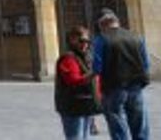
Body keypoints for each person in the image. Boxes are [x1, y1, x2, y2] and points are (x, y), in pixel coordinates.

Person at [92, 9, 150, 140]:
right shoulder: (137, 37)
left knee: (118, 126)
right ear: (117, 22)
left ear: (101, 25)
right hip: (136, 86)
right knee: (140, 125)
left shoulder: (101, 39)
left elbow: (97, 68)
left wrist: (97, 93)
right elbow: (146, 64)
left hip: (113, 88)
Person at [55, 25, 101, 139]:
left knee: (85, 136)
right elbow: (73, 80)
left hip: (85, 105)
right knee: (75, 136)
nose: (85, 44)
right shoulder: (68, 58)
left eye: (87, 41)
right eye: (81, 41)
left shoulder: (86, 56)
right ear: (72, 40)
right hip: (73, 106)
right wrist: (93, 74)